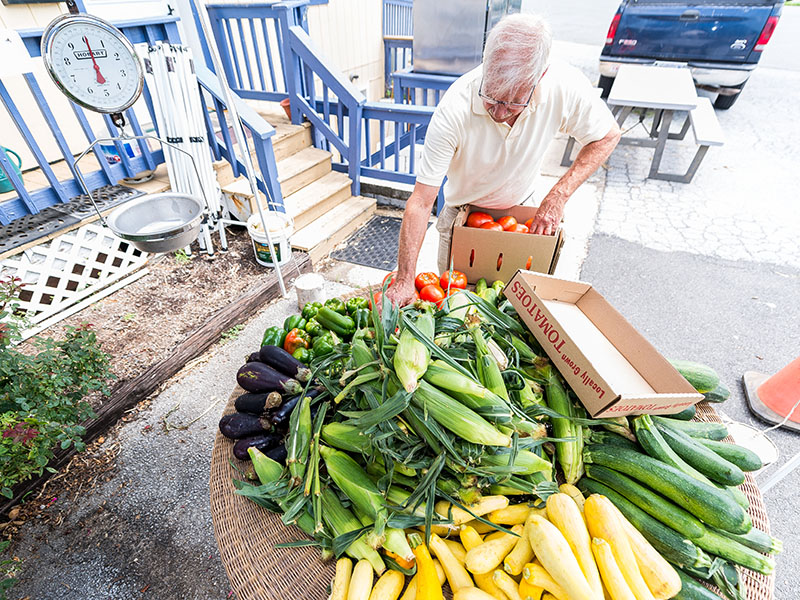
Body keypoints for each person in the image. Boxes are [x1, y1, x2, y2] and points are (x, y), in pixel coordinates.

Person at [386, 13, 621, 306]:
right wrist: (405, 280)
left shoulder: (564, 85)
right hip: (462, 213)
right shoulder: (454, 109)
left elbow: (607, 136)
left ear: (540, 77)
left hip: (521, 214)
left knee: (517, 305)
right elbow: (421, 202)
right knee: (452, 305)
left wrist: (558, 195)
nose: (498, 112)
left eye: (512, 102)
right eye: (492, 98)